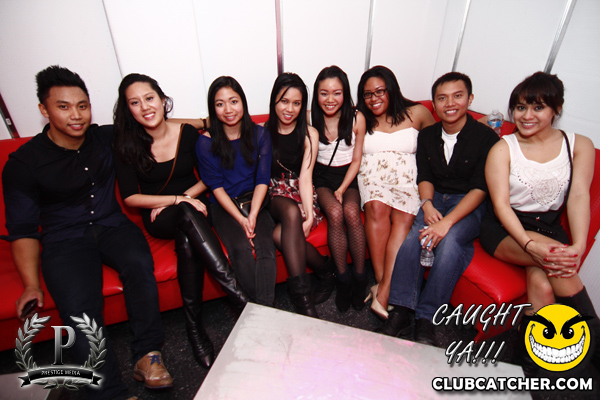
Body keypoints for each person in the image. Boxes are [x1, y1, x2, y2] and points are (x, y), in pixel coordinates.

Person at [1, 66, 172, 400]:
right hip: (64, 238)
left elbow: (159, 124)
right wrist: (31, 284)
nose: (76, 115)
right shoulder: (24, 163)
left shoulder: (104, 137)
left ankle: (147, 355)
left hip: (112, 226)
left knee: (139, 266)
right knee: (80, 308)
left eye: (82, 106)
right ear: (44, 109)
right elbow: (22, 229)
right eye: (63, 107)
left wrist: (207, 122)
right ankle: (108, 393)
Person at [113, 73, 250, 369]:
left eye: (149, 98)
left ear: (163, 100)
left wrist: (185, 197)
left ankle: (194, 328)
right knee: (187, 214)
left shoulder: (187, 134)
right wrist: (175, 201)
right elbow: (131, 198)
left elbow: (210, 178)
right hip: (160, 216)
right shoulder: (126, 144)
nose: (144, 107)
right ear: (128, 110)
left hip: (196, 207)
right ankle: (241, 300)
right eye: (134, 103)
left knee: (187, 236)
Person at [479, 72, 599, 370]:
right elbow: (501, 206)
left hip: (548, 227)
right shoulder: (503, 148)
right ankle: (595, 346)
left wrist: (580, 245)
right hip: (505, 229)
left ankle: (529, 358)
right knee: (556, 260)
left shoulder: (579, 145)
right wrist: (529, 245)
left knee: (543, 288)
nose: (527, 116)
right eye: (521, 107)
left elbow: (579, 196)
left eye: (538, 107)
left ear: (556, 109)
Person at [376, 72, 499, 346]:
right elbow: (425, 176)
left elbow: (480, 189)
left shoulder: (485, 138)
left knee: (451, 242)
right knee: (413, 238)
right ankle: (402, 310)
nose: (450, 103)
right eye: (442, 98)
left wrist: (446, 222)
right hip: (434, 199)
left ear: (470, 99)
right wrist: (427, 204)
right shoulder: (428, 135)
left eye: (458, 96)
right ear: (434, 104)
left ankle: (427, 317)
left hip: (468, 203)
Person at [356, 65, 435, 319]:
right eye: (368, 94)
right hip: (372, 176)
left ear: (391, 89)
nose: (374, 98)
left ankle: (383, 289)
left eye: (380, 91)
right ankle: (384, 286)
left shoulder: (417, 113)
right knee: (377, 207)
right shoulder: (360, 118)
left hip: (406, 179)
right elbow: (323, 112)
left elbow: (440, 138)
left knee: (405, 216)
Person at [196, 76, 277, 306]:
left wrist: (253, 215)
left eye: (233, 101)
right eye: (220, 104)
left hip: (255, 199)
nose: (228, 110)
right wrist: (241, 220)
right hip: (224, 205)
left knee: (265, 247)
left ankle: (261, 311)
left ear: (243, 102)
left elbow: (262, 179)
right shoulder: (205, 143)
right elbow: (216, 187)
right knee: (240, 249)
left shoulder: (260, 134)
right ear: (213, 108)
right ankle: (265, 310)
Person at [265, 73, 334, 317]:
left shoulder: (309, 133)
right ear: (274, 101)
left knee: (279, 235)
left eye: (296, 103)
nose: (289, 109)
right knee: (289, 211)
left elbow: (306, 178)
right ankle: (304, 304)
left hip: (299, 193)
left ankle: (325, 273)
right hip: (273, 194)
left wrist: (309, 216)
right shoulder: (263, 132)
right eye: (284, 101)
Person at [311, 66, 367, 313]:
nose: (330, 99)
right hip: (322, 177)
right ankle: (343, 279)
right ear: (317, 95)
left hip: (348, 177)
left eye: (337, 93)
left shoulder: (356, 118)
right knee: (335, 213)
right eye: (324, 93)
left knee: (352, 213)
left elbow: (356, 160)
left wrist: (343, 188)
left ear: (345, 93)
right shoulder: (310, 118)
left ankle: (360, 277)